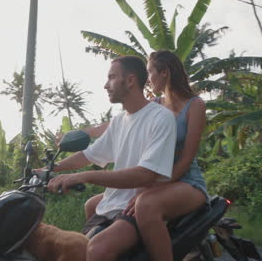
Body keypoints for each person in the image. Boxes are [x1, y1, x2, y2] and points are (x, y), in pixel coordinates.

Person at [45, 55, 177, 261]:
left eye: (112, 77)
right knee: (73, 250)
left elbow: (145, 175)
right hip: (112, 203)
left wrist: (84, 177)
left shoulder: (160, 117)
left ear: (130, 80)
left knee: (97, 250)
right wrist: (50, 170)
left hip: (135, 204)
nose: (106, 85)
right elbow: (89, 154)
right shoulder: (119, 122)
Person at [83, 50, 208, 261]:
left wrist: (147, 189)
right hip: (154, 179)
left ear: (165, 73)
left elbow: (186, 158)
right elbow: (119, 122)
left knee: (145, 205)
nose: (148, 79)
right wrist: (88, 131)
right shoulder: (156, 104)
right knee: (95, 203)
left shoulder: (195, 105)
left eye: (150, 73)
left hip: (185, 181)